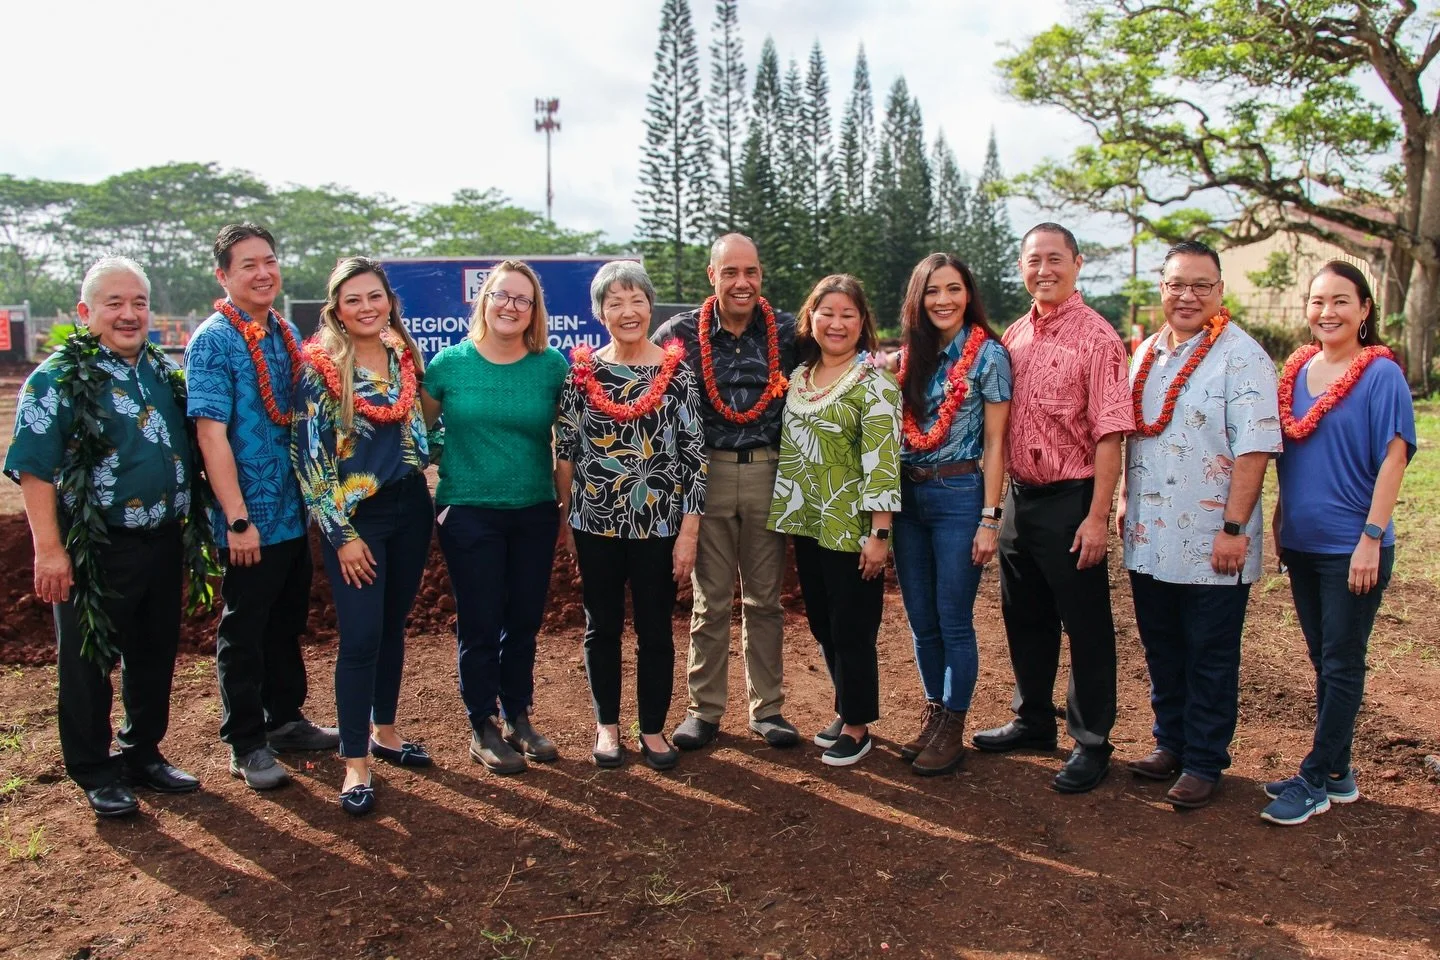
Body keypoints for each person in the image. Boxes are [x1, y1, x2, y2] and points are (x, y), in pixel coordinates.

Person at [5, 257, 214, 817]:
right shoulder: (56, 379)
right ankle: (95, 769)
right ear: (85, 311)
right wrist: (49, 551)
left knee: (153, 652)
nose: (129, 314)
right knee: (88, 662)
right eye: (114, 303)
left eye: (138, 303)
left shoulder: (161, 372)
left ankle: (142, 753)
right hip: (95, 549)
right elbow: (34, 470)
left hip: (162, 540)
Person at [971, 222, 1135, 794]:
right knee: (1025, 616)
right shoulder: (1014, 336)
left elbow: (1111, 434)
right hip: (1021, 499)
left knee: (1085, 626)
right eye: (1033, 260)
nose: (1044, 270)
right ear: (1021, 267)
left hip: (1073, 498)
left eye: (1055, 259)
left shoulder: (1098, 339)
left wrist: (1097, 516)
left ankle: (1091, 742)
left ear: (1077, 263)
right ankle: (1033, 719)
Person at [1118, 240, 1282, 809]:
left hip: (1213, 539)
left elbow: (1254, 450)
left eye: (1200, 285)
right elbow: (1133, 436)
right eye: (1176, 285)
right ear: (1161, 289)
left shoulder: (1243, 357)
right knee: (1161, 646)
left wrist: (1234, 528)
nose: (1187, 296)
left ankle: (1205, 760)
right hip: (1150, 534)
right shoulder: (1145, 355)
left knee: (1209, 653)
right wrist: (1124, 500)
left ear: (1219, 290)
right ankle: (1170, 742)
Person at [1261, 260, 1415, 826]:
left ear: (1365, 309)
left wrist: (1371, 537)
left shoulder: (1381, 375)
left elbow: (1394, 458)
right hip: (1302, 543)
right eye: (1318, 301)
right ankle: (1339, 773)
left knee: (1342, 662)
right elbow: (1292, 457)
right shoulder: (1296, 371)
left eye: (1341, 300)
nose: (1327, 312)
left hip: (1353, 547)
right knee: (1324, 661)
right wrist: (1281, 519)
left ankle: (1313, 779)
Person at [186, 224, 338, 792]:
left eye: (269, 261)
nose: (262, 273)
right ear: (223, 275)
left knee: (285, 621)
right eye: (247, 264)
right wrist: (237, 519)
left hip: (292, 511)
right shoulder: (213, 340)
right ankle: (246, 741)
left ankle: (285, 720)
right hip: (248, 517)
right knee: (245, 629)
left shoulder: (285, 332)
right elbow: (210, 435)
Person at [292, 258, 434, 815]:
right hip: (357, 519)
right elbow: (310, 463)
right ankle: (355, 761)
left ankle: (386, 731)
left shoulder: (402, 355)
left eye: (375, 296)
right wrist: (342, 536)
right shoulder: (319, 368)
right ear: (336, 308)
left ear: (389, 301)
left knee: (393, 626)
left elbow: (421, 428)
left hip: (411, 508)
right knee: (360, 637)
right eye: (353, 299)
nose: (367, 307)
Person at [555, 261, 707, 770]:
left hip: (658, 526)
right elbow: (566, 452)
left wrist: (689, 531)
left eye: (636, 300)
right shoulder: (581, 374)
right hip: (594, 523)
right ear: (599, 313)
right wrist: (568, 520)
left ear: (650, 307)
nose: (627, 311)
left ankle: (653, 729)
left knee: (655, 629)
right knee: (601, 626)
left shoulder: (677, 373)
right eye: (614, 302)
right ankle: (607, 726)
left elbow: (694, 457)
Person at [421, 260, 569, 775]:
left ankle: (518, 717)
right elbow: (419, 430)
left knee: (524, 620)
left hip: (533, 510)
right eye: (502, 295)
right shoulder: (450, 364)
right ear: (484, 301)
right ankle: (482, 724)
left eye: (522, 299)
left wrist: (567, 505)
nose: (511, 306)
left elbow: (570, 436)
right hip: (468, 511)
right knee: (481, 621)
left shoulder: (551, 367)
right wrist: (449, 454)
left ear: (534, 310)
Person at [652, 235, 800, 750]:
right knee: (710, 600)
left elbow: (839, 356)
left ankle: (769, 709)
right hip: (704, 478)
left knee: (765, 601)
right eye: (731, 272)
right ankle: (704, 710)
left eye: (751, 272)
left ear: (761, 276)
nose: (742, 283)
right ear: (711, 276)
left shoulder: (788, 331)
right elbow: (644, 381)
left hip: (768, 472)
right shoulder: (678, 334)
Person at [768, 274, 901, 766]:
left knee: (852, 627)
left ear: (863, 323)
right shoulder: (800, 377)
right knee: (824, 624)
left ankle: (859, 726)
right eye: (827, 313)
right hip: (809, 521)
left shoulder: (874, 383)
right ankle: (846, 709)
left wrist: (880, 533)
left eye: (848, 315)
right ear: (811, 318)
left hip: (853, 527)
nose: (836, 323)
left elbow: (883, 462)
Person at [891, 254, 1011, 776]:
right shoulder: (907, 358)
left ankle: (953, 725)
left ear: (969, 294)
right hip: (907, 496)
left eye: (953, 289)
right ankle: (934, 713)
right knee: (921, 620)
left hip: (959, 494)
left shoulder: (989, 356)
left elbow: (997, 442)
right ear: (918, 300)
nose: (943, 300)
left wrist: (989, 518)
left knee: (953, 618)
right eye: (932, 291)